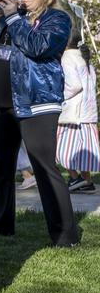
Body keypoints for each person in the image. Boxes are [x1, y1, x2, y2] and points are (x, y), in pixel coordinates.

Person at [0, 0, 81, 248]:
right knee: (1, 168)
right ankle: (0, 225)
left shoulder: (57, 18)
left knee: (44, 166)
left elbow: (38, 47)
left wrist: (13, 16)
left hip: (37, 102)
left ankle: (64, 235)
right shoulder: (3, 16)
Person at [60, 29, 98, 192]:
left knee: (62, 149)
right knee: (84, 152)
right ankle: (86, 182)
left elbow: (74, 85)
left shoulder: (67, 58)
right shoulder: (85, 59)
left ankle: (75, 179)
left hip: (73, 112)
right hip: (88, 113)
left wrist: (59, 96)